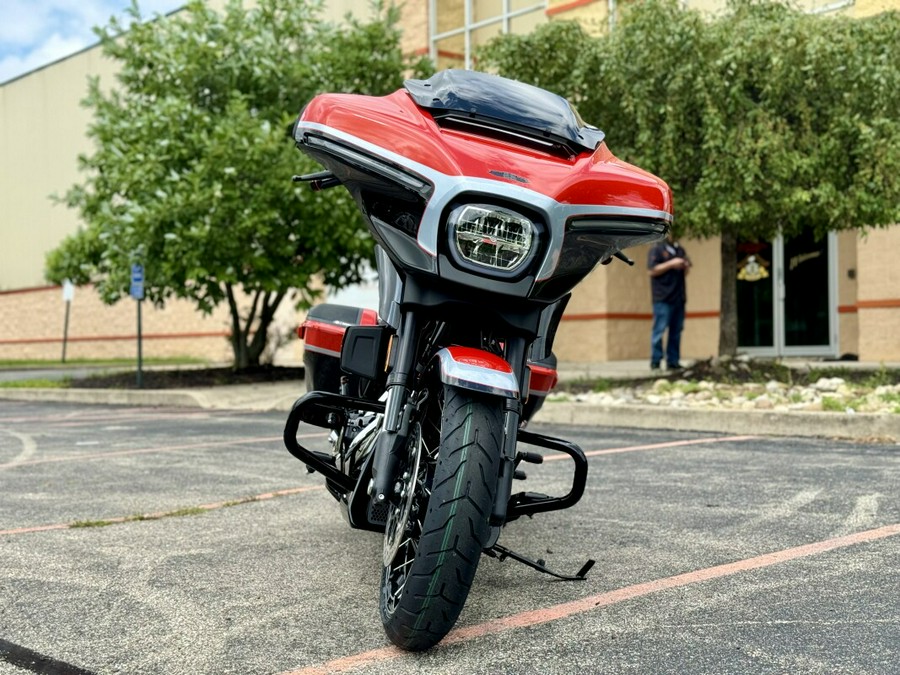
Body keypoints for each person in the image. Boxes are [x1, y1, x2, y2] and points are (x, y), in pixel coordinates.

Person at [647, 231, 691, 371]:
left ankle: (673, 361)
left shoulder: (679, 249)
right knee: (659, 331)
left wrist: (684, 265)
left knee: (676, 331)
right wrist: (672, 263)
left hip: (679, 297)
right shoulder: (656, 249)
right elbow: (652, 270)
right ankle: (655, 361)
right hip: (662, 298)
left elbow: (687, 270)